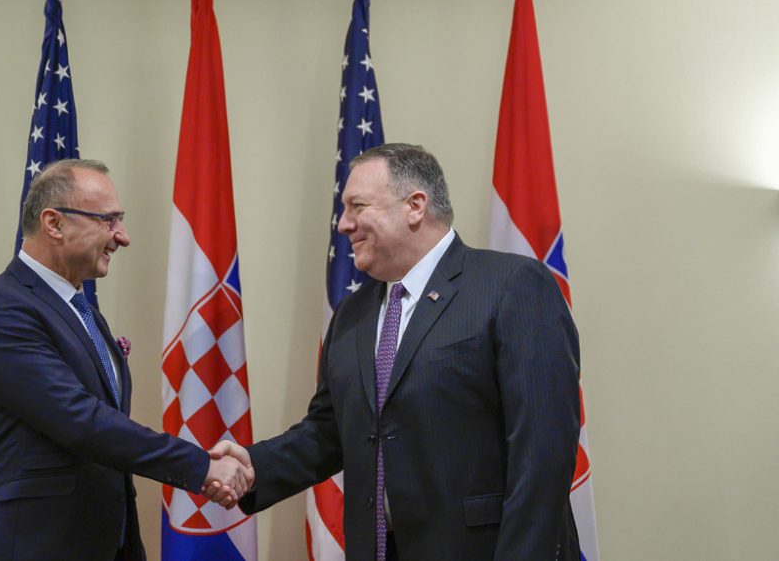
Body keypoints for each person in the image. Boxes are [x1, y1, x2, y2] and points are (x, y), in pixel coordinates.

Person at [210, 144, 581, 560]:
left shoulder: (511, 286)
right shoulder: (352, 315)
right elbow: (328, 431)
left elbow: (542, 453)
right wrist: (253, 467)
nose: (344, 225)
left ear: (415, 206)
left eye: (357, 206)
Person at [0, 159, 250, 561]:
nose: (122, 237)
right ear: (54, 223)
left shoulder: (83, 311)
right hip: (28, 545)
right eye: (108, 220)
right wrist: (200, 466)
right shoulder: (0, 310)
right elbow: (80, 420)